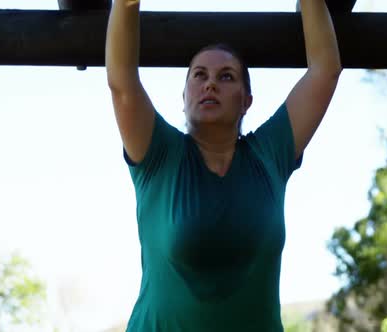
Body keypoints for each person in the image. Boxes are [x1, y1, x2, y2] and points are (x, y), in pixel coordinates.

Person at [105, 0, 341, 330]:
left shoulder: (270, 153)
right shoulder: (160, 154)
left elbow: (325, 71)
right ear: (184, 96)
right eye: (199, 75)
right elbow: (122, 83)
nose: (210, 84)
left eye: (226, 76)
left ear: (246, 100)